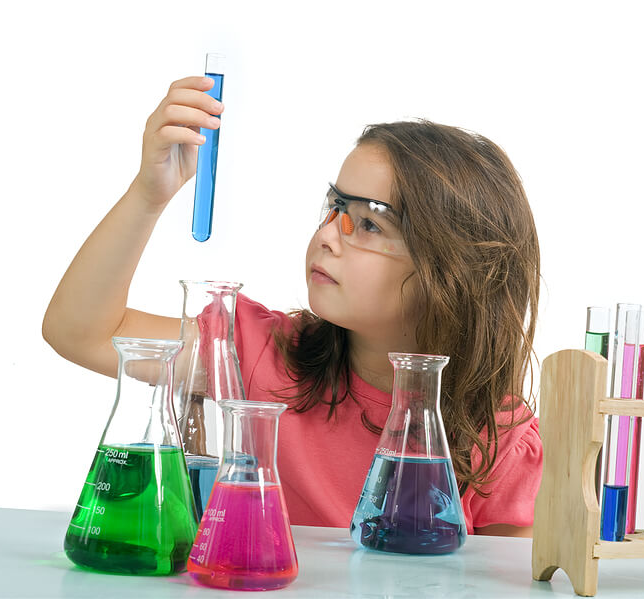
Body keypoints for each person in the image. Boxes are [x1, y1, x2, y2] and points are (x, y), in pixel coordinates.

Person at [43, 76, 543, 537]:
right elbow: (78, 332)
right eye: (335, 208)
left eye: (369, 224)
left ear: (452, 270)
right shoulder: (257, 354)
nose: (327, 236)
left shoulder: (500, 441)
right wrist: (149, 194)